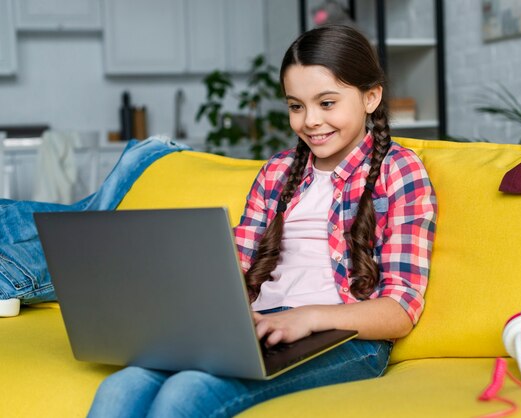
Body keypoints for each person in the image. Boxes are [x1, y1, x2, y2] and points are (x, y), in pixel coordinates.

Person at [88, 24, 437, 418]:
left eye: (326, 103)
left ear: (371, 97)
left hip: (346, 338)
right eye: (296, 106)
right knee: (121, 387)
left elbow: (400, 309)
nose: (310, 121)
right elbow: (233, 267)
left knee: (187, 393)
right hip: (260, 327)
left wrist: (306, 318)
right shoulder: (277, 172)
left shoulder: (399, 170)